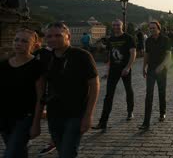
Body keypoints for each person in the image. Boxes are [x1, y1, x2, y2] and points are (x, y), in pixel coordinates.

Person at [44, 22, 99, 157]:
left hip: (76, 113)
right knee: (61, 149)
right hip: (54, 113)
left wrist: (88, 115)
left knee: (67, 153)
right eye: (49, 36)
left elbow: (94, 85)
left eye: (58, 35)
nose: (53, 39)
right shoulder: (46, 57)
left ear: (68, 36)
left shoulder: (81, 55)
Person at [1, 27, 45, 158]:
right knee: (17, 152)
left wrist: (36, 123)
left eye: (24, 41)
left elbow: (40, 96)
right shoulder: (3, 65)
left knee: (11, 153)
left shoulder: (37, 66)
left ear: (34, 45)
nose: (18, 43)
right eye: (16, 40)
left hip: (25, 117)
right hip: (4, 117)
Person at [93, 20, 136, 132]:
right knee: (108, 95)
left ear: (122, 26)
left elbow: (133, 54)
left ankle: (130, 111)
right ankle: (103, 122)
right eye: (114, 25)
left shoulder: (128, 38)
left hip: (125, 69)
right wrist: (107, 71)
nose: (116, 27)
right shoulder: (111, 39)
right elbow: (109, 56)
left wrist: (127, 67)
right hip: (113, 70)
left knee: (128, 90)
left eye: (118, 25)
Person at [140, 21, 171, 130]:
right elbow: (146, 54)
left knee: (161, 92)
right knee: (149, 94)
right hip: (151, 70)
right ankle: (146, 122)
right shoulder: (148, 40)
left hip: (162, 70)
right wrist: (144, 67)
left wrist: (161, 67)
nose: (152, 30)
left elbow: (168, 55)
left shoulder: (165, 39)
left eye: (154, 28)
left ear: (159, 28)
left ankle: (162, 112)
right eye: (150, 28)